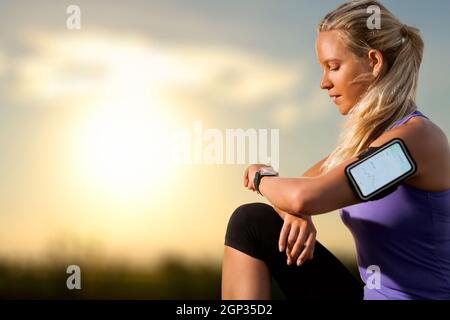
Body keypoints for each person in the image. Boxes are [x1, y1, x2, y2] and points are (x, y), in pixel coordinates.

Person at [222, 0, 450, 300]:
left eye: (333, 67)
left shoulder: (415, 143)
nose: (323, 83)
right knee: (251, 222)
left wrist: (262, 178)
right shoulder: (362, 146)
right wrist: (299, 213)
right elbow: (299, 191)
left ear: (373, 62)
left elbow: (304, 195)